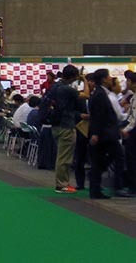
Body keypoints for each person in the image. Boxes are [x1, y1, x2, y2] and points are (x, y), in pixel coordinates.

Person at [88, 69, 132, 199]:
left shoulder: (103, 93)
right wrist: (95, 133)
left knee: (104, 159)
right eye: (108, 76)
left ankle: (96, 185)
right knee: (117, 157)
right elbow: (97, 116)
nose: (110, 78)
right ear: (103, 79)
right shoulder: (100, 95)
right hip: (105, 133)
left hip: (107, 132)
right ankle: (114, 186)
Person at [50, 64, 83, 194]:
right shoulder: (67, 89)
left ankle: (63, 182)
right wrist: (85, 80)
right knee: (64, 157)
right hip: (66, 125)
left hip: (56, 124)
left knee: (62, 156)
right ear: (73, 77)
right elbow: (86, 95)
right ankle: (61, 184)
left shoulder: (55, 86)